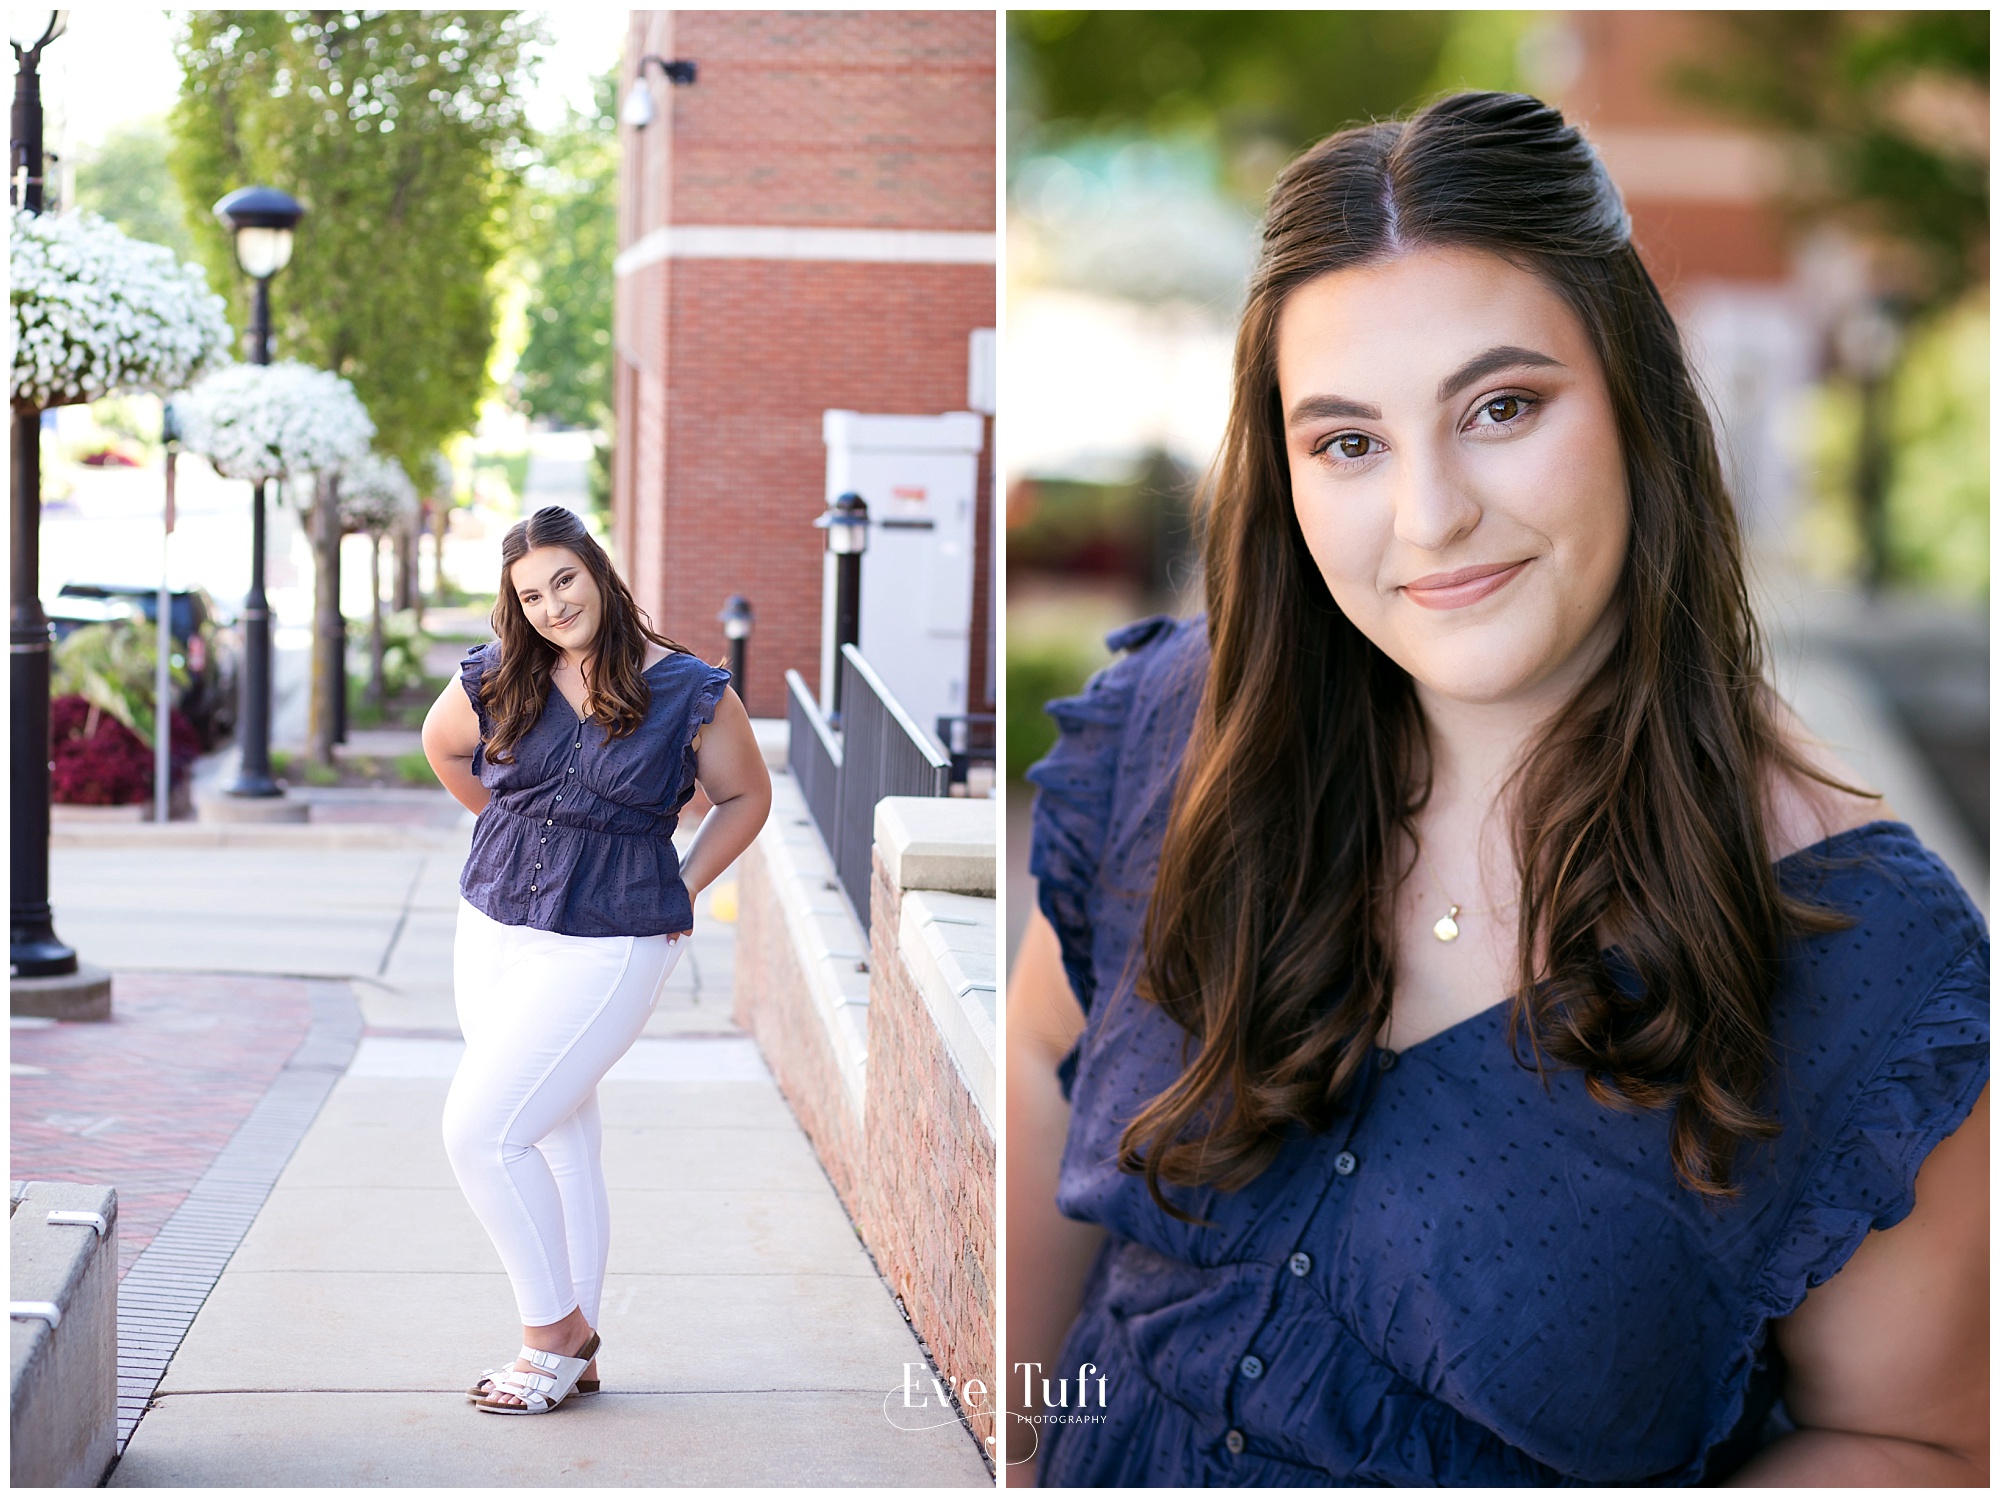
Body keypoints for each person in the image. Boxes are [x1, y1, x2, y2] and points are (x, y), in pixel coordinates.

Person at [1009, 92, 1987, 1485]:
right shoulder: (1180, 725)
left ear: (1637, 400)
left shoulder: (1865, 952)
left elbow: (1913, 1443)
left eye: (1502, 407)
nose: (1432, 516)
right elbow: (1040, 1074)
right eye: (1348, 441)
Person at [422, 505, 771, 1414]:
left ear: (598, 571)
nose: (551, 606)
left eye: (564, 580)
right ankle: (577, 1358)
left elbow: (745, 797)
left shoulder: (689, 689)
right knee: (560, 1134)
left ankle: (553, 1335)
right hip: (493, 920)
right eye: (530, 595)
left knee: (481, 1132)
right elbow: (444, 746)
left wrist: (682, 886)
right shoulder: (503, 670)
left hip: (613, 936)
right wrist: (511, 826)